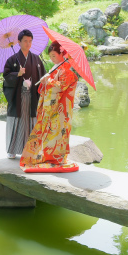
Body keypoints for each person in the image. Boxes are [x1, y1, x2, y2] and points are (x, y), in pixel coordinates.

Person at [20, 41, 79, 173]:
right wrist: (45, 81)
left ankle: (57, 158)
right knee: (49, 131)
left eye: (54, 56)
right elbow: (48, 87)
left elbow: (60, 88)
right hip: (51, 107)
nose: (52, 59)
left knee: (58, 132)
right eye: (50, 56)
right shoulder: (57, 68)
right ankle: (47, 156)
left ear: (62, 54)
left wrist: (49, 80)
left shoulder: (67, 71)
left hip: (61, 108)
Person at [2, 29, 45, 159]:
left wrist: (42, 81)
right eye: (25, 41)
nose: (28, 43)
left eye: (30, 41)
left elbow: (42, 76)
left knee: (32, 122)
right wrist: (17, 75)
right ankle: (12, 150)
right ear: (19, 42)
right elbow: (6, 76)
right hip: (18, 97)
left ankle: (32, 150)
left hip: (32, 96)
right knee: (17, 122)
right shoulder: (12, 60)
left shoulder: (36, 59)